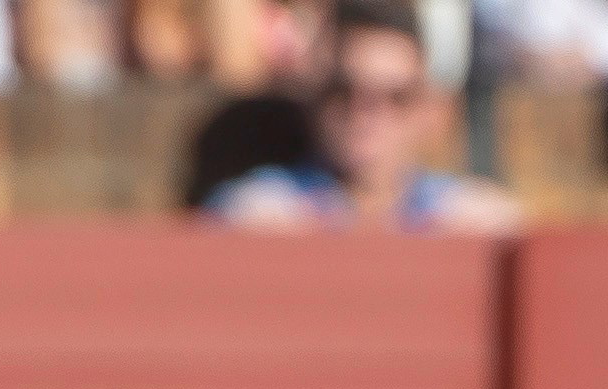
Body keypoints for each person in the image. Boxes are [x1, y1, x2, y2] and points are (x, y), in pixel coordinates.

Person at [205, 0, 523, 230]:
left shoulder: (471, 217)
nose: (366, 112)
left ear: (430, 109)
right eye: (343, 91)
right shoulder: (261, 210)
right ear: (315, 99)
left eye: (396, 97)